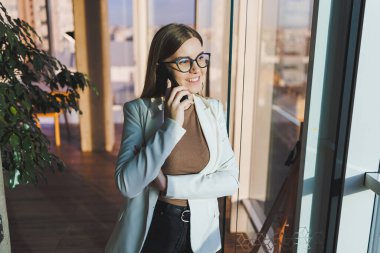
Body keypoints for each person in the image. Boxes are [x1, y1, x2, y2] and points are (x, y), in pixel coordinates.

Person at [105, 23, 239, 253]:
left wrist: (169, 185)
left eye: (200, 58)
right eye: (184, 62)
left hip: (203, 235)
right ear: (163, 68)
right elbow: (127, 185)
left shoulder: (214, 109)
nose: (197, 69)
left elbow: (230, 181)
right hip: (156, 230)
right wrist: (171, 126)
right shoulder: (139, 111)